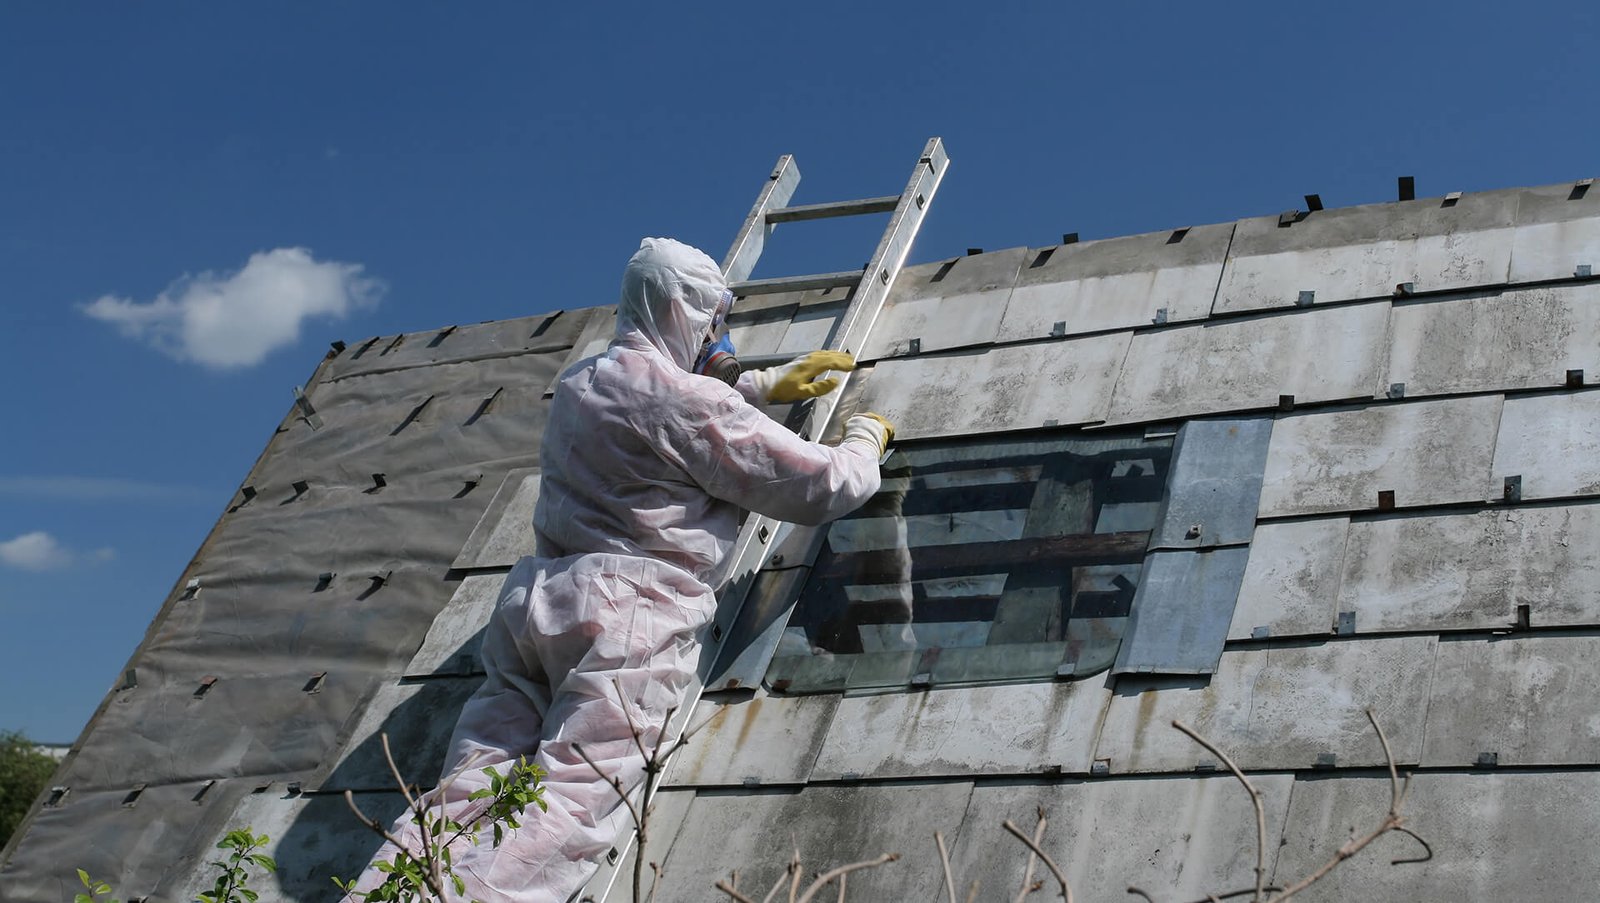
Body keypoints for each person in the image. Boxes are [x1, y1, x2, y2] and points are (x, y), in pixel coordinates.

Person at [347, 238, 894, 902]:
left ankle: (390, 893)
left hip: (537, 606)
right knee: (574, 800)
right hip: (627, 617)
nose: (718, 334)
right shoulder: (694, 405)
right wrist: (864, 441)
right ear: (680, 310)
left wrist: (756, 386)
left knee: (469, 787)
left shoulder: (581, 382)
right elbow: (817, 485)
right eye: (714, 316)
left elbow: (655, 405)